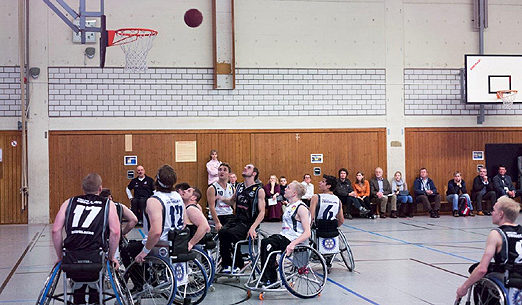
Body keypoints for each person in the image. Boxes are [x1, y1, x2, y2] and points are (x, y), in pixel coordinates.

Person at [52, 173, 121, 305]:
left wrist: (60, 256)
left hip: (72, 257)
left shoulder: (69, 202)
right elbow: (115, 232)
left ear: (82, 189)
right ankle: (95, 300)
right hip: (95, 256)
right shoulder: (108, 204)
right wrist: (112, 257)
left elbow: (55, 230)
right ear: (100, 189)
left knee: (77, 272)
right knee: (98, 267)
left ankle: (79, 299)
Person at [456, 196, 522, 302]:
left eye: (494, 210)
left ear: (501, 214)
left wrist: (464, 287)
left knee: (476, 270)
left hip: (509, 278)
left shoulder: (496, 234)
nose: (492, 213)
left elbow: (482, 269)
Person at [121, 164, 185, 267]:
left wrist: (144, 252)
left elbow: (156, 232)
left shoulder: (154, 200)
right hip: (177, 242)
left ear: (157, 180)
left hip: (160, 244)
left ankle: (140, 282)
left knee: (127, 250)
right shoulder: (178, 196)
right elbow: (184, 222)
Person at [259, 181, 311, 287]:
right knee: (265, 242)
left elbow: (307, 233)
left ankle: (268, 278)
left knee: (269, 244)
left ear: (294, 193)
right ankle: (270, 277)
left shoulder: (301, 208)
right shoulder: (290, 206)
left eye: (288, 187)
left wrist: (292, 244)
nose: (285, 189)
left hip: (295, 240)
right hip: (285, 236)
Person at [217, 164, 266, 273]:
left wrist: (253, 228)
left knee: (231, 234)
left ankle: (238, 263)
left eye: (248, 168)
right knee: (222, 232)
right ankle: (227, 264)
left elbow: (262, 212)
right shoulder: (239, 187)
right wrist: (221, 198)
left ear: (254, 173)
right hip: (237, 219)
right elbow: (231, 201)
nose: (244, 168)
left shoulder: (259, 190)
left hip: (249, 222)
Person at [207, 163, 235, 231]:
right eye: (220, 170)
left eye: (224, 170)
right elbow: (211, 207)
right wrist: (217, 222)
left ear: (229, 174)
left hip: (229, 214)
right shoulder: (212, 188)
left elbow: (233, 204)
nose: (221, 172)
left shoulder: (232, 187)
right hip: (218, 215)